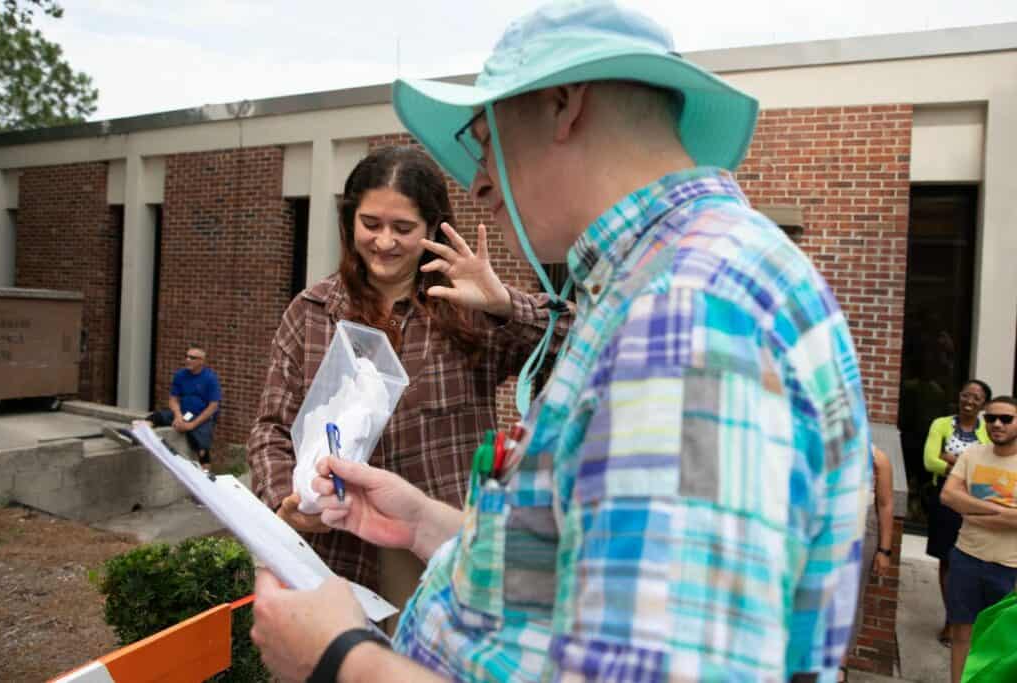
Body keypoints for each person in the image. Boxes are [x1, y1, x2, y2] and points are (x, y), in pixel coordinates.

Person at [251, 3, 870, 681]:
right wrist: (427, 522)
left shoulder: (683, 317)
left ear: (563, 105)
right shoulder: (675, 282)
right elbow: (584, 562)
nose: (480, 180)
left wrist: (338, 660)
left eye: (485, 141)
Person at [247, 145, 570, 615]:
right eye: (370, 224)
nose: (383, 242)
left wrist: (504, 304)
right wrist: (285, 498)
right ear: (349, 220)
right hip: (338, 557)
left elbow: (584, 338)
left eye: (403, 229)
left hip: (442, 558)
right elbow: (271, 427)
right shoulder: (311, 313)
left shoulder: (467, 308)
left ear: (433, 230)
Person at [940, 396, 1017, 683]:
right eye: (991, 418)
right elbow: (948, 496)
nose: (997, 424)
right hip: (967, 557)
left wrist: (971, 508)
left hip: (1010, 566)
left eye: (1006, 418)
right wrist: (1002, 511)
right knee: (961, 631)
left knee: (1001, 642)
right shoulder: (972, 454)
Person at [924, 379, 992, 646]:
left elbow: (989, 466)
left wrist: (951, 458)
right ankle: (952, 620)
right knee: (947, 559)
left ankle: (973, 619)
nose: (969, 401)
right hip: (946, 500)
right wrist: (970, 467)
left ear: (983, 404)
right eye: (966, 395)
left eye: (976, 398)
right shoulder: (941, 424)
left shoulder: (988, 430)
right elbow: (930, 460)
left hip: (977, 502)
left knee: (972, 561)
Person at [840, 445, 895, 682]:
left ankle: (840, 665)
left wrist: (885, 550)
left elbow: (885, 504)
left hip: (859, 533)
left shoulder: (876, 458)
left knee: (849, 601)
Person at [145, 344, 221, 471]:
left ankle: (207, 478)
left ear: (201, 361)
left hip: (202, 416)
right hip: (183, 413)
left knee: (202, 449)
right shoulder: (180, 375)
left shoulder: (210, 379)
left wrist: (191, 425)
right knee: (155, 417)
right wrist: (178, 416)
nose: (188, 360)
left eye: (192, 358)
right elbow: (173, 399)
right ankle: (135, 435)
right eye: (186, 356)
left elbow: (213, 407)